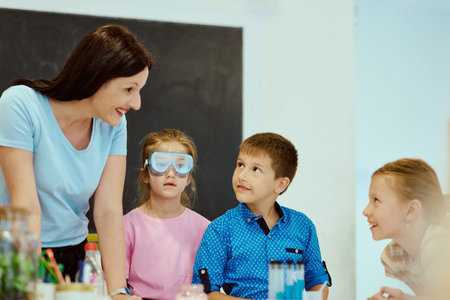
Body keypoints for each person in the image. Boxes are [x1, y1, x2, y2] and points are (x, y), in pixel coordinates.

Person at [0, 24, 152, 299]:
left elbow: (107, 211)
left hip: (74, 257)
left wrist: (118, 290)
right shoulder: (21, 104)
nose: (137, 102)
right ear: (98, 75)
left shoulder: (114, 124)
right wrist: (27, 285)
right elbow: (26, 207)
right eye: (129, 88)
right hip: (15, 254)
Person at [192, 132, 331, 300]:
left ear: (280, 184)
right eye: (240, 165)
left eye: (256, 169)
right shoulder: (220, 229)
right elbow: (206, 293)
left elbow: (317, 281)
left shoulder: (303, 226)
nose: (242, 176)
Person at [124, 129, 210, 300]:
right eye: (161, 163)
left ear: (188, 178)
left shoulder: (206, 229)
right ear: (145, 175)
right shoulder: (126, 226)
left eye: (180, 165)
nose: (171, 173)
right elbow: (117, 287)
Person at [363, 158, 448, 300]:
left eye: (376, 200)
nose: (365, 211)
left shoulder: (439, 244)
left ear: (411, 211)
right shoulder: (392, 256)